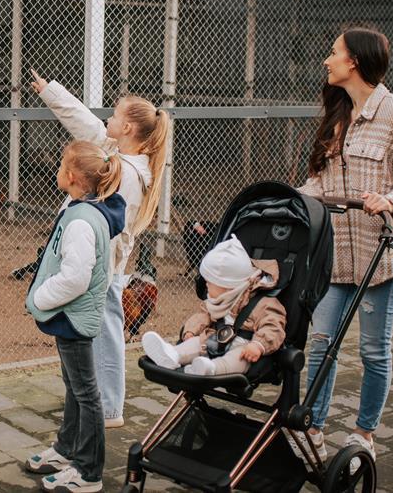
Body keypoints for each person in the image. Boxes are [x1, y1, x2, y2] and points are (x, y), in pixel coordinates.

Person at [297, 26, 393, 465]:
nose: (327, 60)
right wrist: (293, 199)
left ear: (354, 61)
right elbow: (320, 182)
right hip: (337, 255)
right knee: (321, 342)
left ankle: (364, 433)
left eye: (334, 52)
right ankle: (312, 429)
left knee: (373, 350)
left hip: (383, 258)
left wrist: (392, 200)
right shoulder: (338, 114)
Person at [15, 69, 169, 429]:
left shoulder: (126, 172)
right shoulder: (118, 156)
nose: (108, 120)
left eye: (115, 115)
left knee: (106, 331)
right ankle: (92, 400)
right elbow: (86, 125)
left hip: (104, 266)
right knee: (95, 330)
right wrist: (51, 92)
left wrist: (90, 260)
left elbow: (110, 227)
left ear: (128, 128)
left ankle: (108, 408)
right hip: (101, 265)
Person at [24, 140, 126, 493]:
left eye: (61, 164)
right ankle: (66, 449)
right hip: (70, 317)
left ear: (71, 176)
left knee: (86, 393)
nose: (57, 169)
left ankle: (88, 472)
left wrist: (40, 297)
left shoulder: (82, 221)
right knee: (75, 385)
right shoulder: (82, 209)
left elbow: (76, 278)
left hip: (73, 318)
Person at [141, 235, 285, 376]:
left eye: (210, 282)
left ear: (228, 286)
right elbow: (202, 315)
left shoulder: (263, 303)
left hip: (244, 347)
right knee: (197, 342)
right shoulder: (216, 300)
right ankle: (173, 355)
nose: (206, 286)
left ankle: (210, 368)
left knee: (238, 359)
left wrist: (258, 345)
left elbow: (273, 327)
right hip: (214, 340)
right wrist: (191, 331)